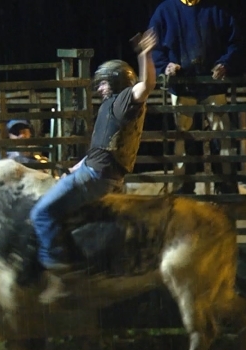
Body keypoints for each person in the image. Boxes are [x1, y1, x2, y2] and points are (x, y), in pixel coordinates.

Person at [29, 29, 158, 272]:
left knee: (41, 213)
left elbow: (147, 84)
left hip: (94, 177)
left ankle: (55, 265)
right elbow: (103, 148)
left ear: (117, 82)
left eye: (104, 83)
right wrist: (75, 167)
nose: (99, 89)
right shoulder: (112, 109)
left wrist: (145, 54)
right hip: (97, 173)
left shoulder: (123, 102)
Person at [148, 0, 246, 195]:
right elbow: (153, 46)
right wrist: (165, 66)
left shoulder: (217, 8)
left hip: (212, 83)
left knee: (221, 135)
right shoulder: (166, 11)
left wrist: (225, 63)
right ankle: (183, 187)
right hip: (181, 85)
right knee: (182, 136)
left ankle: (226, 186)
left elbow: (235, 42)